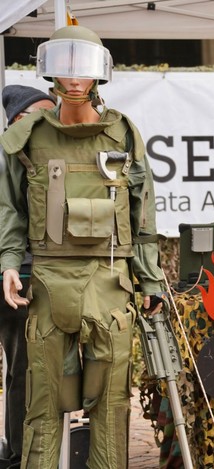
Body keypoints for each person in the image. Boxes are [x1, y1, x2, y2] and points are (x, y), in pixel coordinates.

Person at [0, 25, 166, 469]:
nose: (74, 79)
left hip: (109, 282)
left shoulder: (123, 135)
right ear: (48, 72)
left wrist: (149, 279)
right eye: (64, 68)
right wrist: (10, 263)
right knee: (43, 404)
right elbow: (11, 209)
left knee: (110, 404)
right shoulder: (27, 136)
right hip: (49, 284)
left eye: (84, 68)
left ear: (100, 74)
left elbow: (142, 211)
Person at [0, 85, 56, 469]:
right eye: (41, 113)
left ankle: (21, 452)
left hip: (27, 275)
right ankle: (18, 453)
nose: (49, 121)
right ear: (19, 120)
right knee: (22, 368)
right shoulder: (10, 160)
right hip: (15, 276)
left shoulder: (38, 158)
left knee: (25, 369)